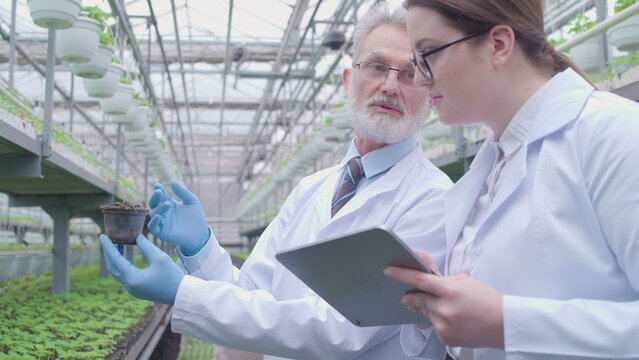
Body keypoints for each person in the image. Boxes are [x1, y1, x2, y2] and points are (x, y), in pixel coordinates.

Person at [100, 4, 453, 360]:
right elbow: (251, 290)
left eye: (409, 74)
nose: (390, 85)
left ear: (430, 92)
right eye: (377, 66)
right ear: (349, 81)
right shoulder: (311, 189)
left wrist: (183, 294)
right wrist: (201, 248)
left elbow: (342, 330)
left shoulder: (433, 200)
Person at [383, 1, 639, 359]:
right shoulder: (490, 166)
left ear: (499, 44)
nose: (421, 78)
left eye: (428, 54)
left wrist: (508, 322)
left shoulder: (616, 134)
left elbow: (505, 321)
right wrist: (440, 308)